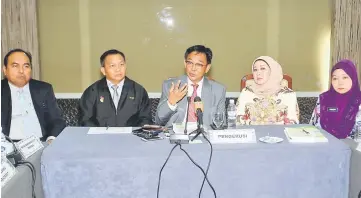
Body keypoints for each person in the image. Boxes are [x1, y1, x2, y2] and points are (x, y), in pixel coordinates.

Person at [1, 49, 65, 143]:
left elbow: (57, 121)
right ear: (5, 70)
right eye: (15, 66)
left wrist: (51, 139)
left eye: (26, 66)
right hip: (7, 145)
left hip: (41, 143)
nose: (21, 71)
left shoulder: (44, 89)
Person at [155, 45, 226, 130]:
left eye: (199, 64)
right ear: (185, 64)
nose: (193, 68)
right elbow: (158, 121)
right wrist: (171, 103)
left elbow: (221, 124)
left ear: (207, 68)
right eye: (190, 63)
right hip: (176, 137)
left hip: (204, 138)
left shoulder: (218, 90)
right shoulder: (171, 86)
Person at [80, 49, 152, 127]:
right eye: (112, 65)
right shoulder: (92, 91)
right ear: (103, 70)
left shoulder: (138, 91)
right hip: (100, 138)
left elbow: (145, 119)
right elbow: (85, 120)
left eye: (121, 64)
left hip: (130, 137)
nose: (118, 69)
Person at [236, 56, 299, 125]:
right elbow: (238, 120)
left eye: (262, 68)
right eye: (255, 70)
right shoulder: (246, 92)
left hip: (279, 134)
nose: (258, 73)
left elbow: (292, 122)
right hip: (252, 133)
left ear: (272, 71)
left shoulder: (288, 94)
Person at [310, 59, 361, 139]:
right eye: (335, 78)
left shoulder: (359, 100)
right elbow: (312, 127)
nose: (340, 83)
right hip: (324, 145)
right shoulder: (324, 98)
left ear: (353, 78)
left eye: (345, 77)